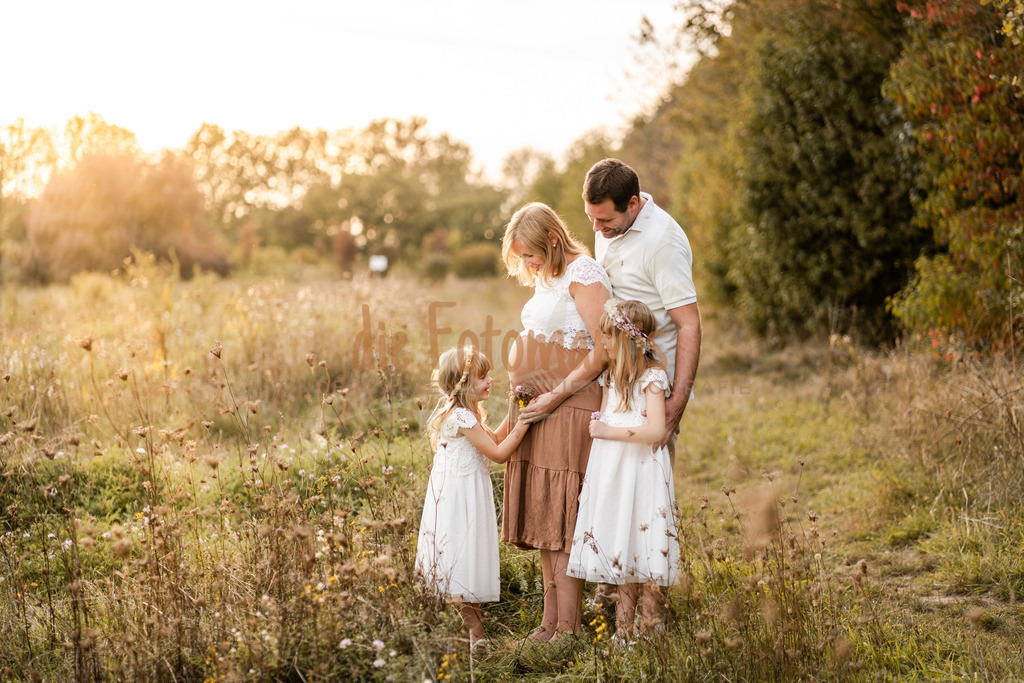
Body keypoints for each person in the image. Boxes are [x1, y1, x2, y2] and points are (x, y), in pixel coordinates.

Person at [522, 159, 701, 464]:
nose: (595, 228)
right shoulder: (609, 226)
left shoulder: (662, 243)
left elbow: (689, 325)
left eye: (603, 220)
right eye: (591, 217)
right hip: (613, 382)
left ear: (632, 203)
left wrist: (677, 403)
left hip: (650, 388)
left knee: (647, 482)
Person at [500, 202, 610, 641]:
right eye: (520, 258)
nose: (526, 265)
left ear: (551, 237)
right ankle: (549, 622)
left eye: (529, 255)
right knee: (546, 516)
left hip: (570, 402)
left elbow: (603, 349)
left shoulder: (584, 273)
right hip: (539, 409)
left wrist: (555, 394)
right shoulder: (548, 277)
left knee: (565, 520)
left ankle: (570, 628)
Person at [566, 299, 681, 640]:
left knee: (642, 542)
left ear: (628, 340)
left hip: (640, 469)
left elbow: (655, 431)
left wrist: (607, 432)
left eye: (607, 336)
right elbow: (603, 417)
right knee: (621, 543)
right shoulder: (610, 377)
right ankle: (622, 633)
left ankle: (648, 630)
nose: (602, 342)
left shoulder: (652, 378)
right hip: (612, 470)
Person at [415, 345, 530, 650]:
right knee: (464, 558)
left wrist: (515, 411)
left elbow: (492, 437)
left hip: (462, 495)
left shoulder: (462, 414)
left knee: (468, 558)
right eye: (482, 376)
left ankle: (474, 636)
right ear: (463, 384)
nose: (490, 380)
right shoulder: (461, 418)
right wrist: (526, 422)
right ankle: (476, 639)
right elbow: (499, 453)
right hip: (461, 501)